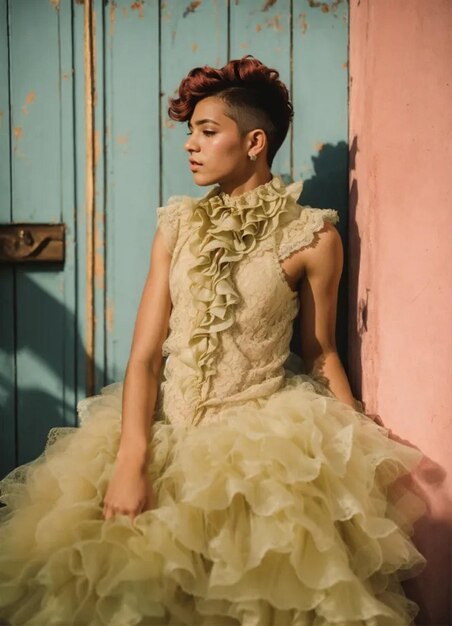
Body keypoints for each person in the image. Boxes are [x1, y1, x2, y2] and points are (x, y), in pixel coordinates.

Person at [0, 56, 425, 626]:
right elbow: (146, 356)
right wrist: (132, 459)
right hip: (164, 433)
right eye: (190, 133)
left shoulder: (313, 238)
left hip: (260, 453)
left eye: (206, 131)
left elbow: (321, 349)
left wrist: (359, 453)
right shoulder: (175, 226)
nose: (190, 146)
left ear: (254, 142)